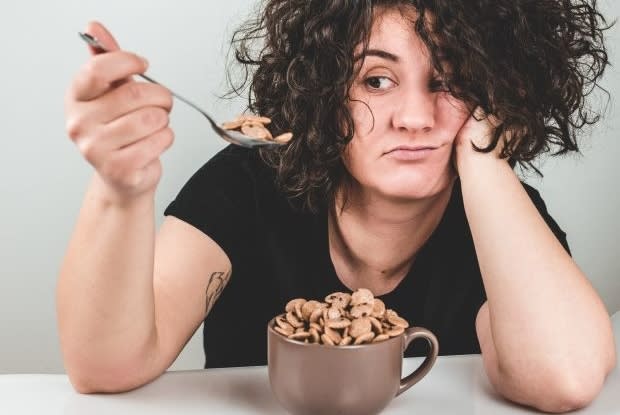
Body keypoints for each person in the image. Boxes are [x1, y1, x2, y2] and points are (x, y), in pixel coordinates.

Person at [58, 0, 616, 412]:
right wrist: (120, 189)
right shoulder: (247, 184)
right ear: (324, 90)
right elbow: (108, 367)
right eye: (377, 80)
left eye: (450, 81)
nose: (415, 117)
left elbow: (563, 378)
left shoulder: (504, 217)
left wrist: (487, 159)